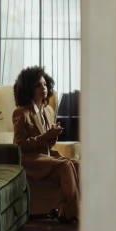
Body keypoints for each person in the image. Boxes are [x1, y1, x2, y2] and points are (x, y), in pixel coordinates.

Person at [12, 66, 80, 222]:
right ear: (29, 89)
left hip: (44, 155)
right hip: (29, 159)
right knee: (65, 165)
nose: (43, 88)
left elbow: (48, 144)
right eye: (38, 85)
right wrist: (45, 137)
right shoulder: (21, 113)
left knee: (76, 163)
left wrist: (53, 136)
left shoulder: (48, 110)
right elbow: (20, 145)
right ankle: (75, 211)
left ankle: (64, 210)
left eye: (44, 84)